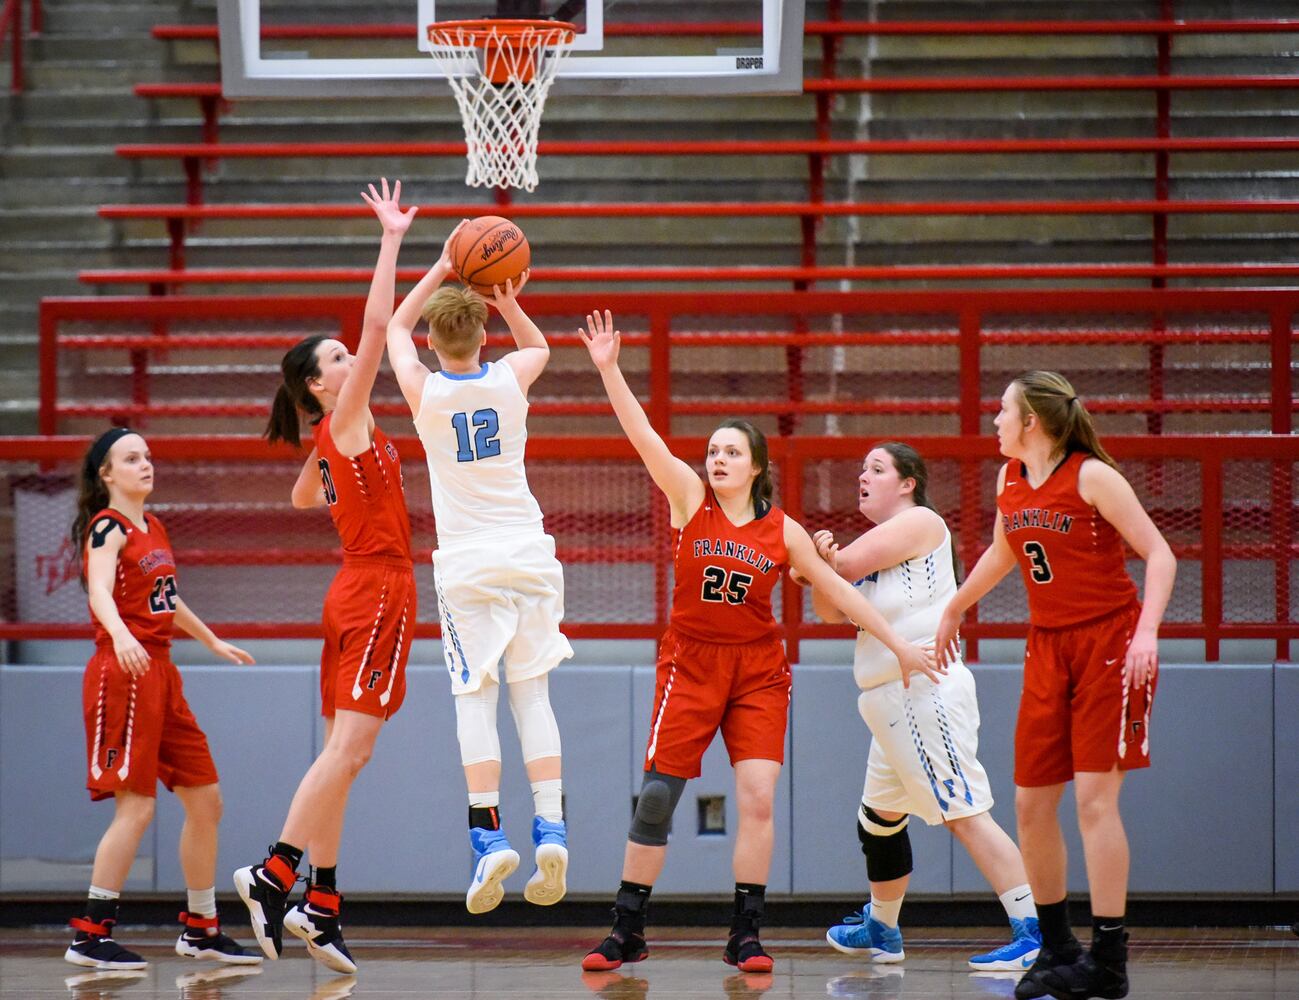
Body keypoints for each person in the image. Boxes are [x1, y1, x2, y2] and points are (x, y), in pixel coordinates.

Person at [576, 310, 939, 974]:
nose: (715, 458)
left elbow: (844, 592)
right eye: (712, 450)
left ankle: (745, 932)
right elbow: (644, 437)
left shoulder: (782, 531)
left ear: (756, 467)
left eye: (729, 452)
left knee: (758, 797)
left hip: (755, 673)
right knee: (656, 796)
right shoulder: (690, 501)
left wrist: (895, 643)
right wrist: (607, 369)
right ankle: (626, 927)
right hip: (689, 663)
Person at [934, 372, 1176, 1000]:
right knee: (1030, 804)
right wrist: (956, 605)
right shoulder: (1010, 479)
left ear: (1030, 421)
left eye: (1002, 411)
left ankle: (1110, 959)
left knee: (1094, 803)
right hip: (1047, 646)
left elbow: (1159, 553)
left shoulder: (1091, 476)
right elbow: (1003, 553)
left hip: (1109, 642)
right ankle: (1058, 944)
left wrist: (1147, 633)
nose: (994, 420)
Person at [233, 179, 418, 975]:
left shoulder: (337, 437)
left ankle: (323, 900)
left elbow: (301, 493)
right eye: (337, 359)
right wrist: (393, 240)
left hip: (353, 589)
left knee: (349, 751)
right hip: (376, 587)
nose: (353, 357)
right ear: (320, 384)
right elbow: (381, 323)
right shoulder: (346, 421)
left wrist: (442, 266)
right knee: (349, 750)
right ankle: (274, 874)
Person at [797, 442, 1041, 971]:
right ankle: (882, 928)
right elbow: (829, 607)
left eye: (877, 469)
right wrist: (818, 566)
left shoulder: (921, 522)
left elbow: (834, 570)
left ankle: (1035, 931)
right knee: (879, 820)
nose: (864, 476)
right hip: (889, 703)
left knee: (966, 813)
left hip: (923, 693)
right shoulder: (877, 547)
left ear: (907, 483)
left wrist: (813, 558)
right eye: (862, 469)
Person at [387, 229, 573, 914]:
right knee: (533, 697)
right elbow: (540, 349)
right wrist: (506, 297)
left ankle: (487, 836)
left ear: (438, 344)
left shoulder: (424, 393)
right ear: (483, 335)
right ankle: (551, 824)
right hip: (526, 549)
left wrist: (439, 265)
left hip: (465, 562)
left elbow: (394, 328)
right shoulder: (510, 375)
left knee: (476, 699)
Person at [66, 427, 259, 971]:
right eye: (131, 458)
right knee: (139, 806)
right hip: (122, 671)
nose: (145, 465)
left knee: (206, 800)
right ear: (106, 473)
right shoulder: (108, 527)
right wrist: (124, 635)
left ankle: (201, 928)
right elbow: (101, 590)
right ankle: (91, 933)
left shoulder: (154, 525)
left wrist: (211, 639)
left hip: (162, 674)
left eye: (148, 456)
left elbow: (166, 600)